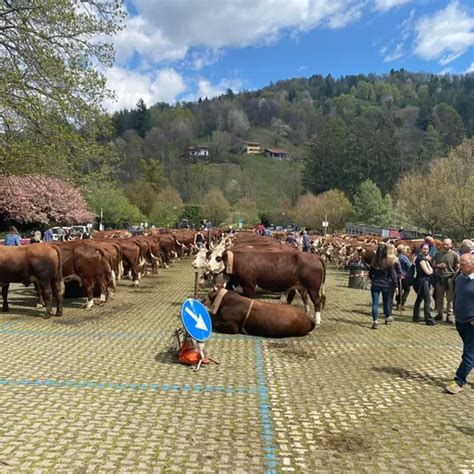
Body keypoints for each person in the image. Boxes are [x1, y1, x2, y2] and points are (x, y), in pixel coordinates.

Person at [445, 253, 474, 394]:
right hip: (460, 321)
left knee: (469, 353)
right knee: (470, 352)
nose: (460, 266)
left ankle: (459, 380)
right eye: (460, 263)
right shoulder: (460, 278)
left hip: (472, 323)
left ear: (472, 265)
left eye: (463, 264)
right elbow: (456, 296)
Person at [368, 244, 398, 329]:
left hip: (375, 284)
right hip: (386, 284)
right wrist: (396, 285)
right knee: (386, 302)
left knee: (375, 303)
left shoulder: (374, 261)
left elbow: (370, 274)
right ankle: (387, 317)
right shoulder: (388, 261)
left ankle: (375, 321)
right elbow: (393, 274)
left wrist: (372, 279)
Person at [432, 238, 459, 324]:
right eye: (444, 244)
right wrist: (437, 265)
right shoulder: (438, 254)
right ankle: (439, 314)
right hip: (440, 278)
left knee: (450, 299)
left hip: (450, 278)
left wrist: (456, 271)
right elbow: (433, 264)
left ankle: (449, 316)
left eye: (447, 244)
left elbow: (458, 265)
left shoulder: (455, 255)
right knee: (439, 298)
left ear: (451, 245)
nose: (445, 245)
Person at [413, 244, 438, 326]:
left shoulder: (424, 259)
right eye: (424, 249)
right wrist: (428, 263)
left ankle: (416, 316)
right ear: (420, 249)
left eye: (427, 249)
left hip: (424, 281)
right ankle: (429, 319)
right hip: (423, 281)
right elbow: (428, 271)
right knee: (427, 300)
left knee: (419, 298)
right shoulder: (420, 259)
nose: (426, 250)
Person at [395, 245, 412, 311]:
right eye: (405, 249)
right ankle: (402, 303)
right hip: (405, 275)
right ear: (402, 251)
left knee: (399, 290)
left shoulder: (396, 256)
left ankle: (398, 303)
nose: (406, 251)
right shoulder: (404, 258)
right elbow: (409, 266)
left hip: (397, 275)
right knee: (407, 289)